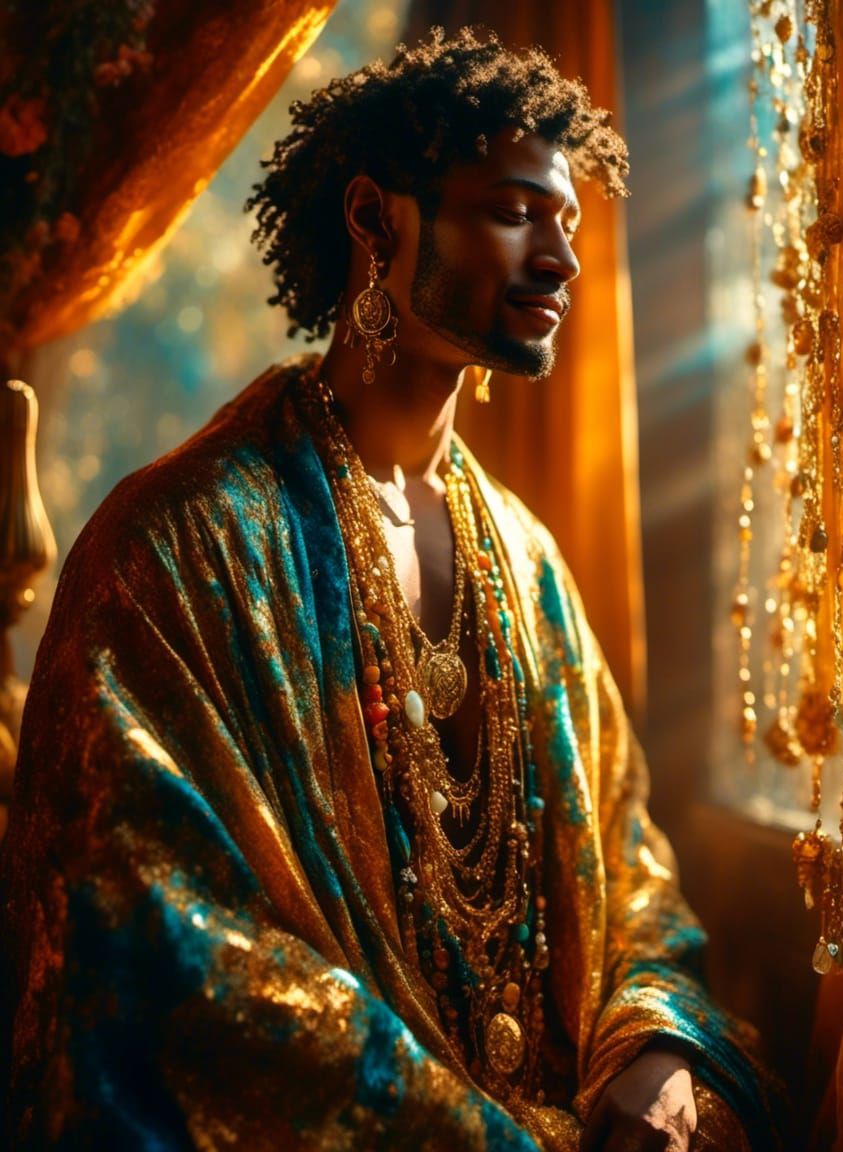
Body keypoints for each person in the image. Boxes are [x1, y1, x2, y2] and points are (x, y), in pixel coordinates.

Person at [0, 28, 782, 1152]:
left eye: (566, 221)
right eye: (514, 210)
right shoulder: (176, 550)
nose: (559, 256)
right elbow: (157, 947)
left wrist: (651, 1050)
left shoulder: (526, 557)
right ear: (375, 219)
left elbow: (631, 876)